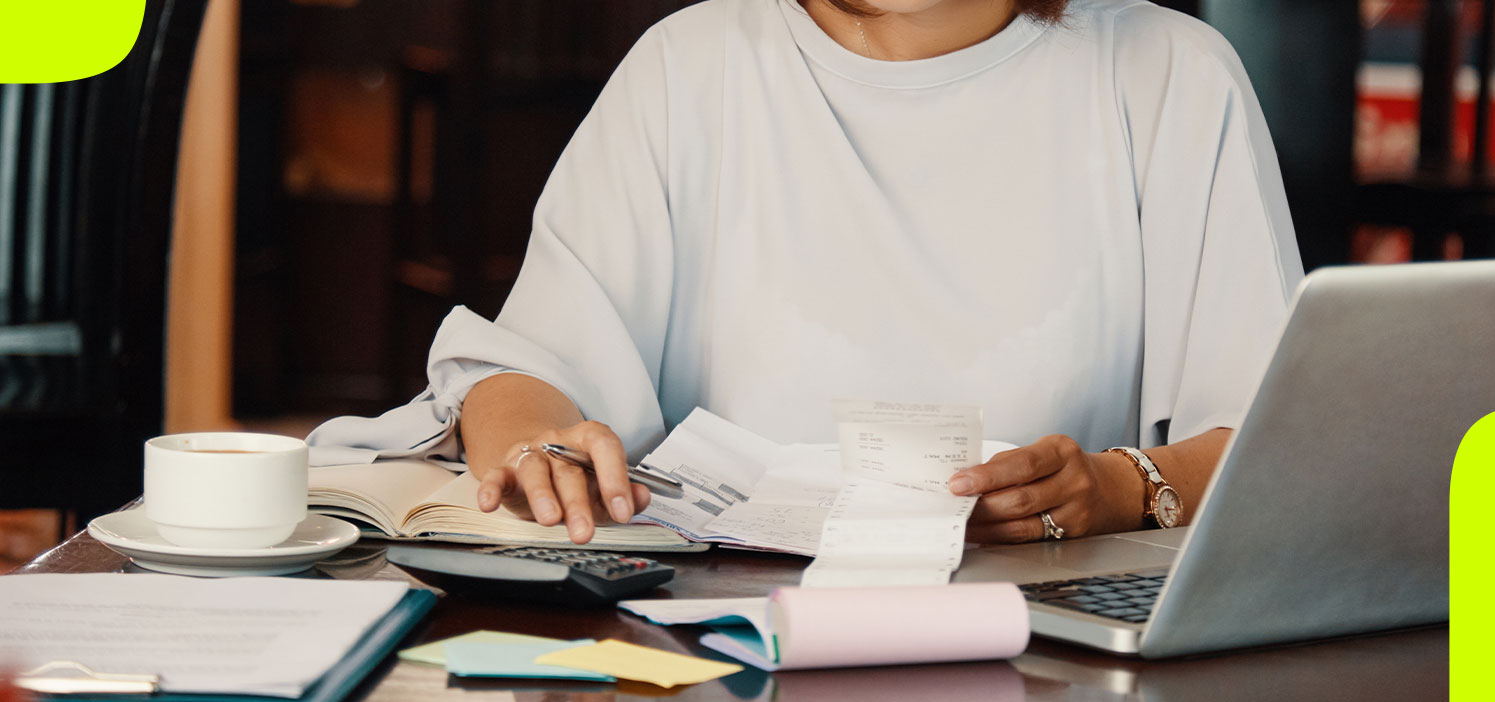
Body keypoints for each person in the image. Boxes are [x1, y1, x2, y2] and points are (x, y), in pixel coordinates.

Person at [307, 0, 1303, 546]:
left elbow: (1284, 444)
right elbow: (532, 376)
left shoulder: (1172, 74)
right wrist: (528, 446)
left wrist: (1124, 487)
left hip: (1050, 641)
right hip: (728, 652)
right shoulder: (689, 67)